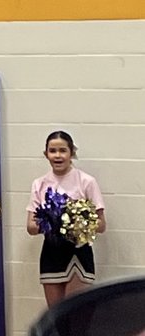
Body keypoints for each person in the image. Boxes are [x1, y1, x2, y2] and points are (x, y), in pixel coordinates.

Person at [27, 130, 106, 308]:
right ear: (46, 154)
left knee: (76, 314)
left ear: (72, 153)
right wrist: (51, 221)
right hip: (51, 253)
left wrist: (76, 222)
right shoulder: (39, 184)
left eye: (63, 150)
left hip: (78, 252)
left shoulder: (86, 181)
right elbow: (30, 227)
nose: (58, 155)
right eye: (52, 151)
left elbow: (101, 225)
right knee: (56, 316)